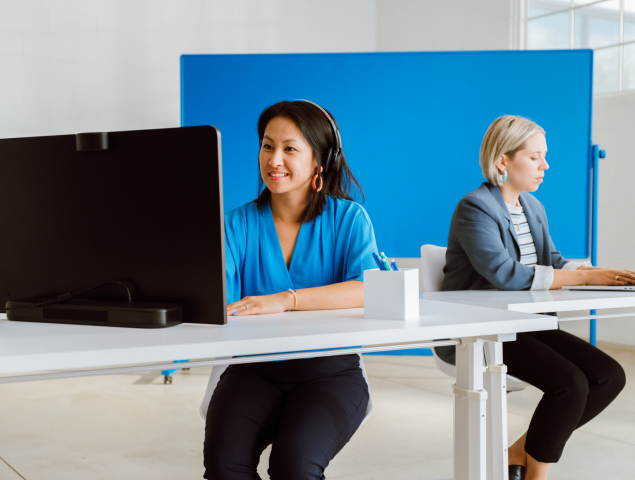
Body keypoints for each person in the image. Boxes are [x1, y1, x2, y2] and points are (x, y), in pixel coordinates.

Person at [439, 115, 630, 480]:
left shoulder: (532, 207)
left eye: (545, 156)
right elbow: (505, 273)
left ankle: (517, 451)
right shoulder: (475, 207)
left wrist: (597, 275)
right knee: (570, 384)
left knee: (609, 376)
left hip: (522, 323)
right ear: (502, 161)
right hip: (480, 329)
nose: (545, 165)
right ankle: (536, 473)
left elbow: (551, 262)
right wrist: (584, 276)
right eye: (535, 156)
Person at [201, 100, 378, 480]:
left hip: (330, 372)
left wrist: (288, 300)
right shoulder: (234, 224)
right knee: (224, 467)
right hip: (253, 370)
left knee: (294, 468)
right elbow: (218, 302)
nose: (274, 159)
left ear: (321, 161)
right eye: (267, 146)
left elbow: (367, 287)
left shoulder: (349, 219)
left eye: (290, 148)